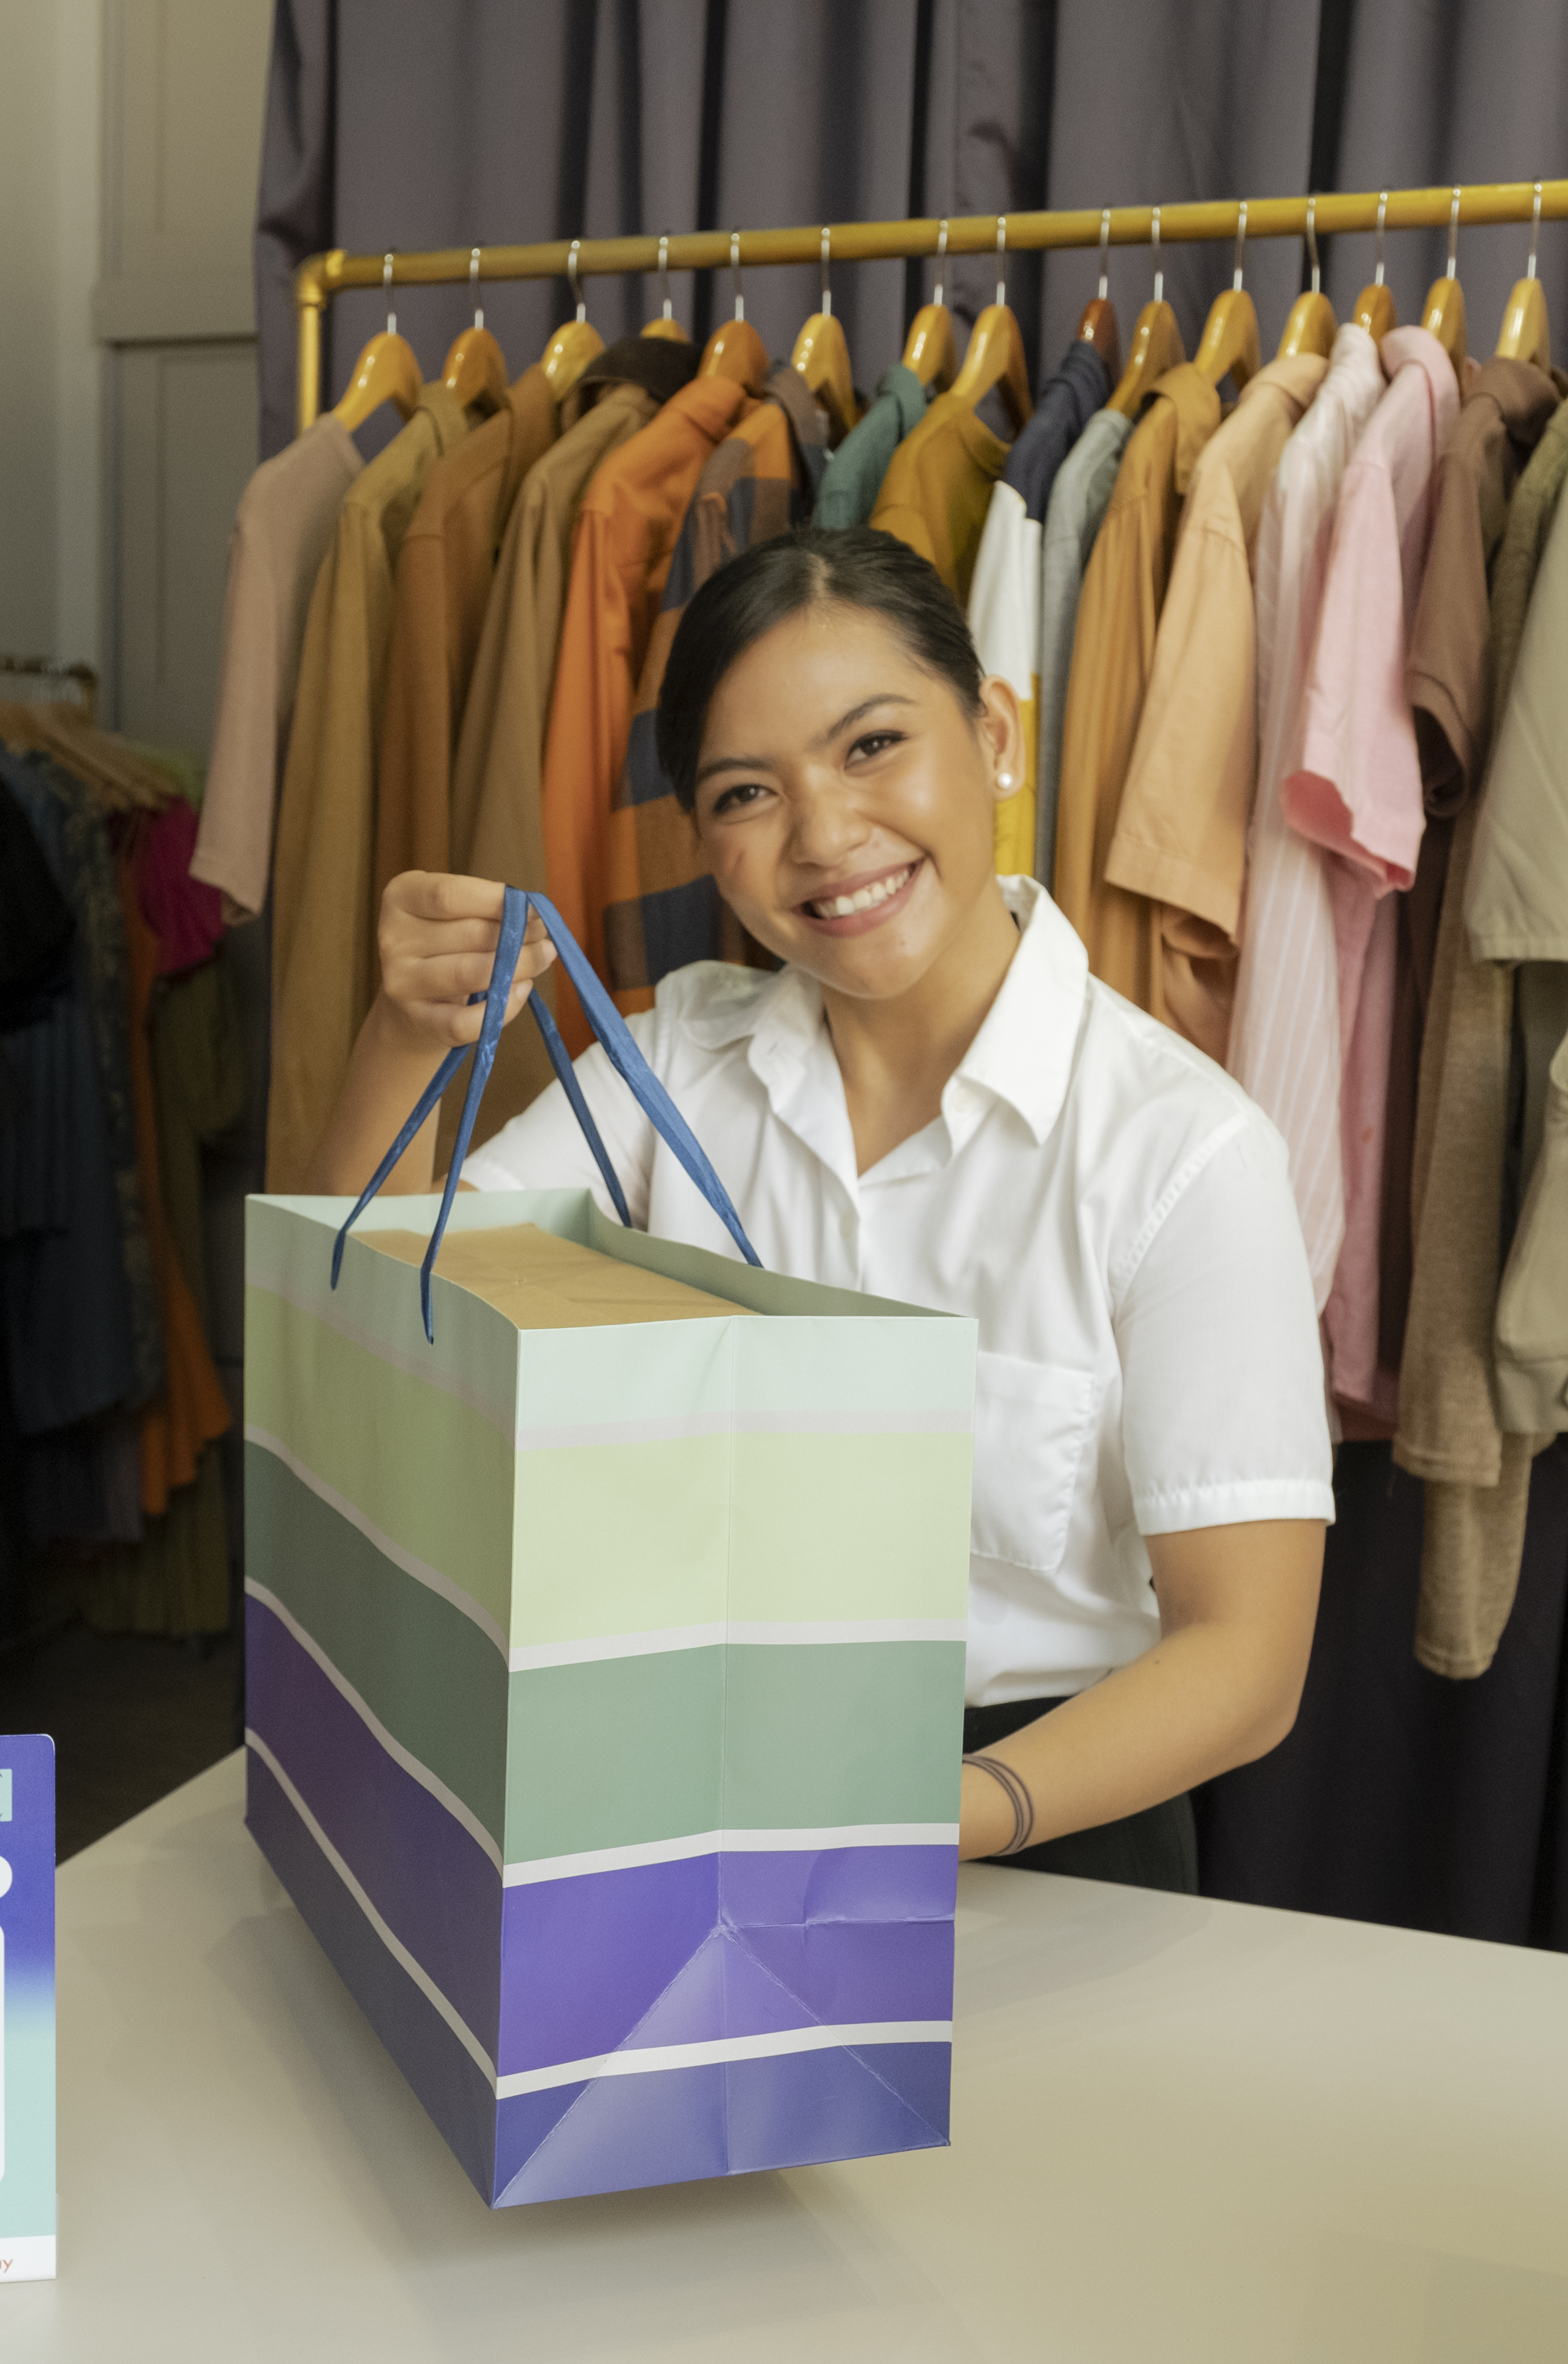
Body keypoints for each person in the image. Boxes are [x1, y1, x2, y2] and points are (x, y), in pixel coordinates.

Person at [303, 526, 1331, 1892]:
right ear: (705, 848)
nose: (826, 835)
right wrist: (401, 1033)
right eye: (747, 793)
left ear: (998, 736)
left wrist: (932, 1817)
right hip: (682, 1797)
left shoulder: (1181, 1152)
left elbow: (1245, 1660)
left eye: (870, 746)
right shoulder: (673, 1061)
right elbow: (367, 1340)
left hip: (1046, 1840)